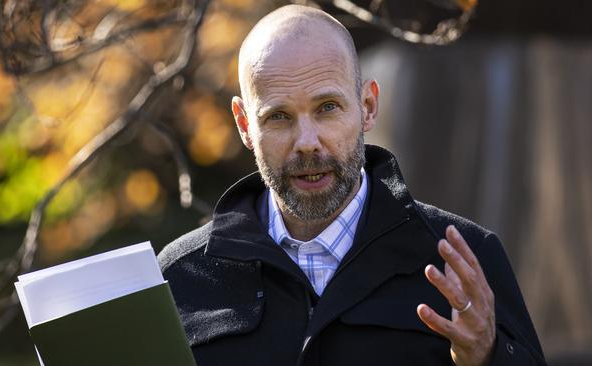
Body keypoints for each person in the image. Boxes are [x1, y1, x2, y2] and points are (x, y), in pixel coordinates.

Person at [158, 4, 546, 365]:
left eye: (327, 108)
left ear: (368, 106)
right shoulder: (179, 277)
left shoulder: (466, 263)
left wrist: (488, 357)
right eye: (278, 117)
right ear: (245, 125)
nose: (306, 141)